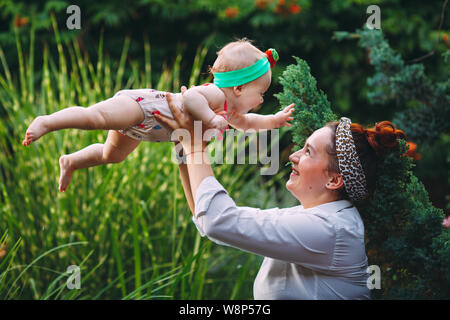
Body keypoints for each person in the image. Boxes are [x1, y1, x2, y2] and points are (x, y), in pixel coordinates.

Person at [154, 90, 412, 300]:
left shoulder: (330, 230)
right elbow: (207, 219)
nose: (293, 156)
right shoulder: (314, 218)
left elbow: (217, 221)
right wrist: (184, 148)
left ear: (335, 180)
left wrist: (193, 145)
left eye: (308, 151)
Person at [21, 39, 294, 192]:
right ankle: (48, 121)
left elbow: (248, 124)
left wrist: (275, 120)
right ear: (238, 87)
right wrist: (210, 120)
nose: (261, 100)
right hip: (143, 106)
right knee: (97, 118)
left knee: (111, 156)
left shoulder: (230, 111)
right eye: (260, 93)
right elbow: (190, 97)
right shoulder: (215, 96)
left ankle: (71, 162)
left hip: (145, 129)